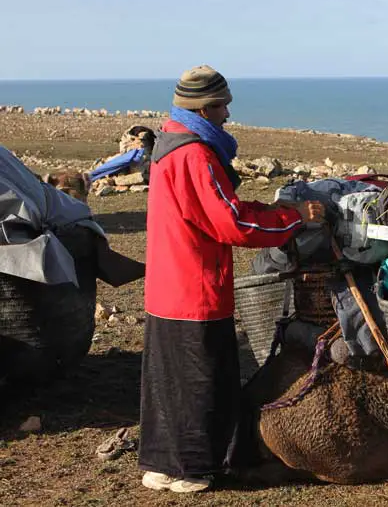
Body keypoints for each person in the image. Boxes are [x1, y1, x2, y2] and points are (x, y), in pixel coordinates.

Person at [138, 65, 324, 493]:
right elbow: (233, 224)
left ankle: (163, 463)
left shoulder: (168, 145)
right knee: (203, 377)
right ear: (204, 108)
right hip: (195, 287)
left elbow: (218, 207)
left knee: (169, 379)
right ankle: (197, 467)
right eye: (222, 107)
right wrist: (293, 218)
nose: (227, 115)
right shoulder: (195, 155)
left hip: (167, 286)